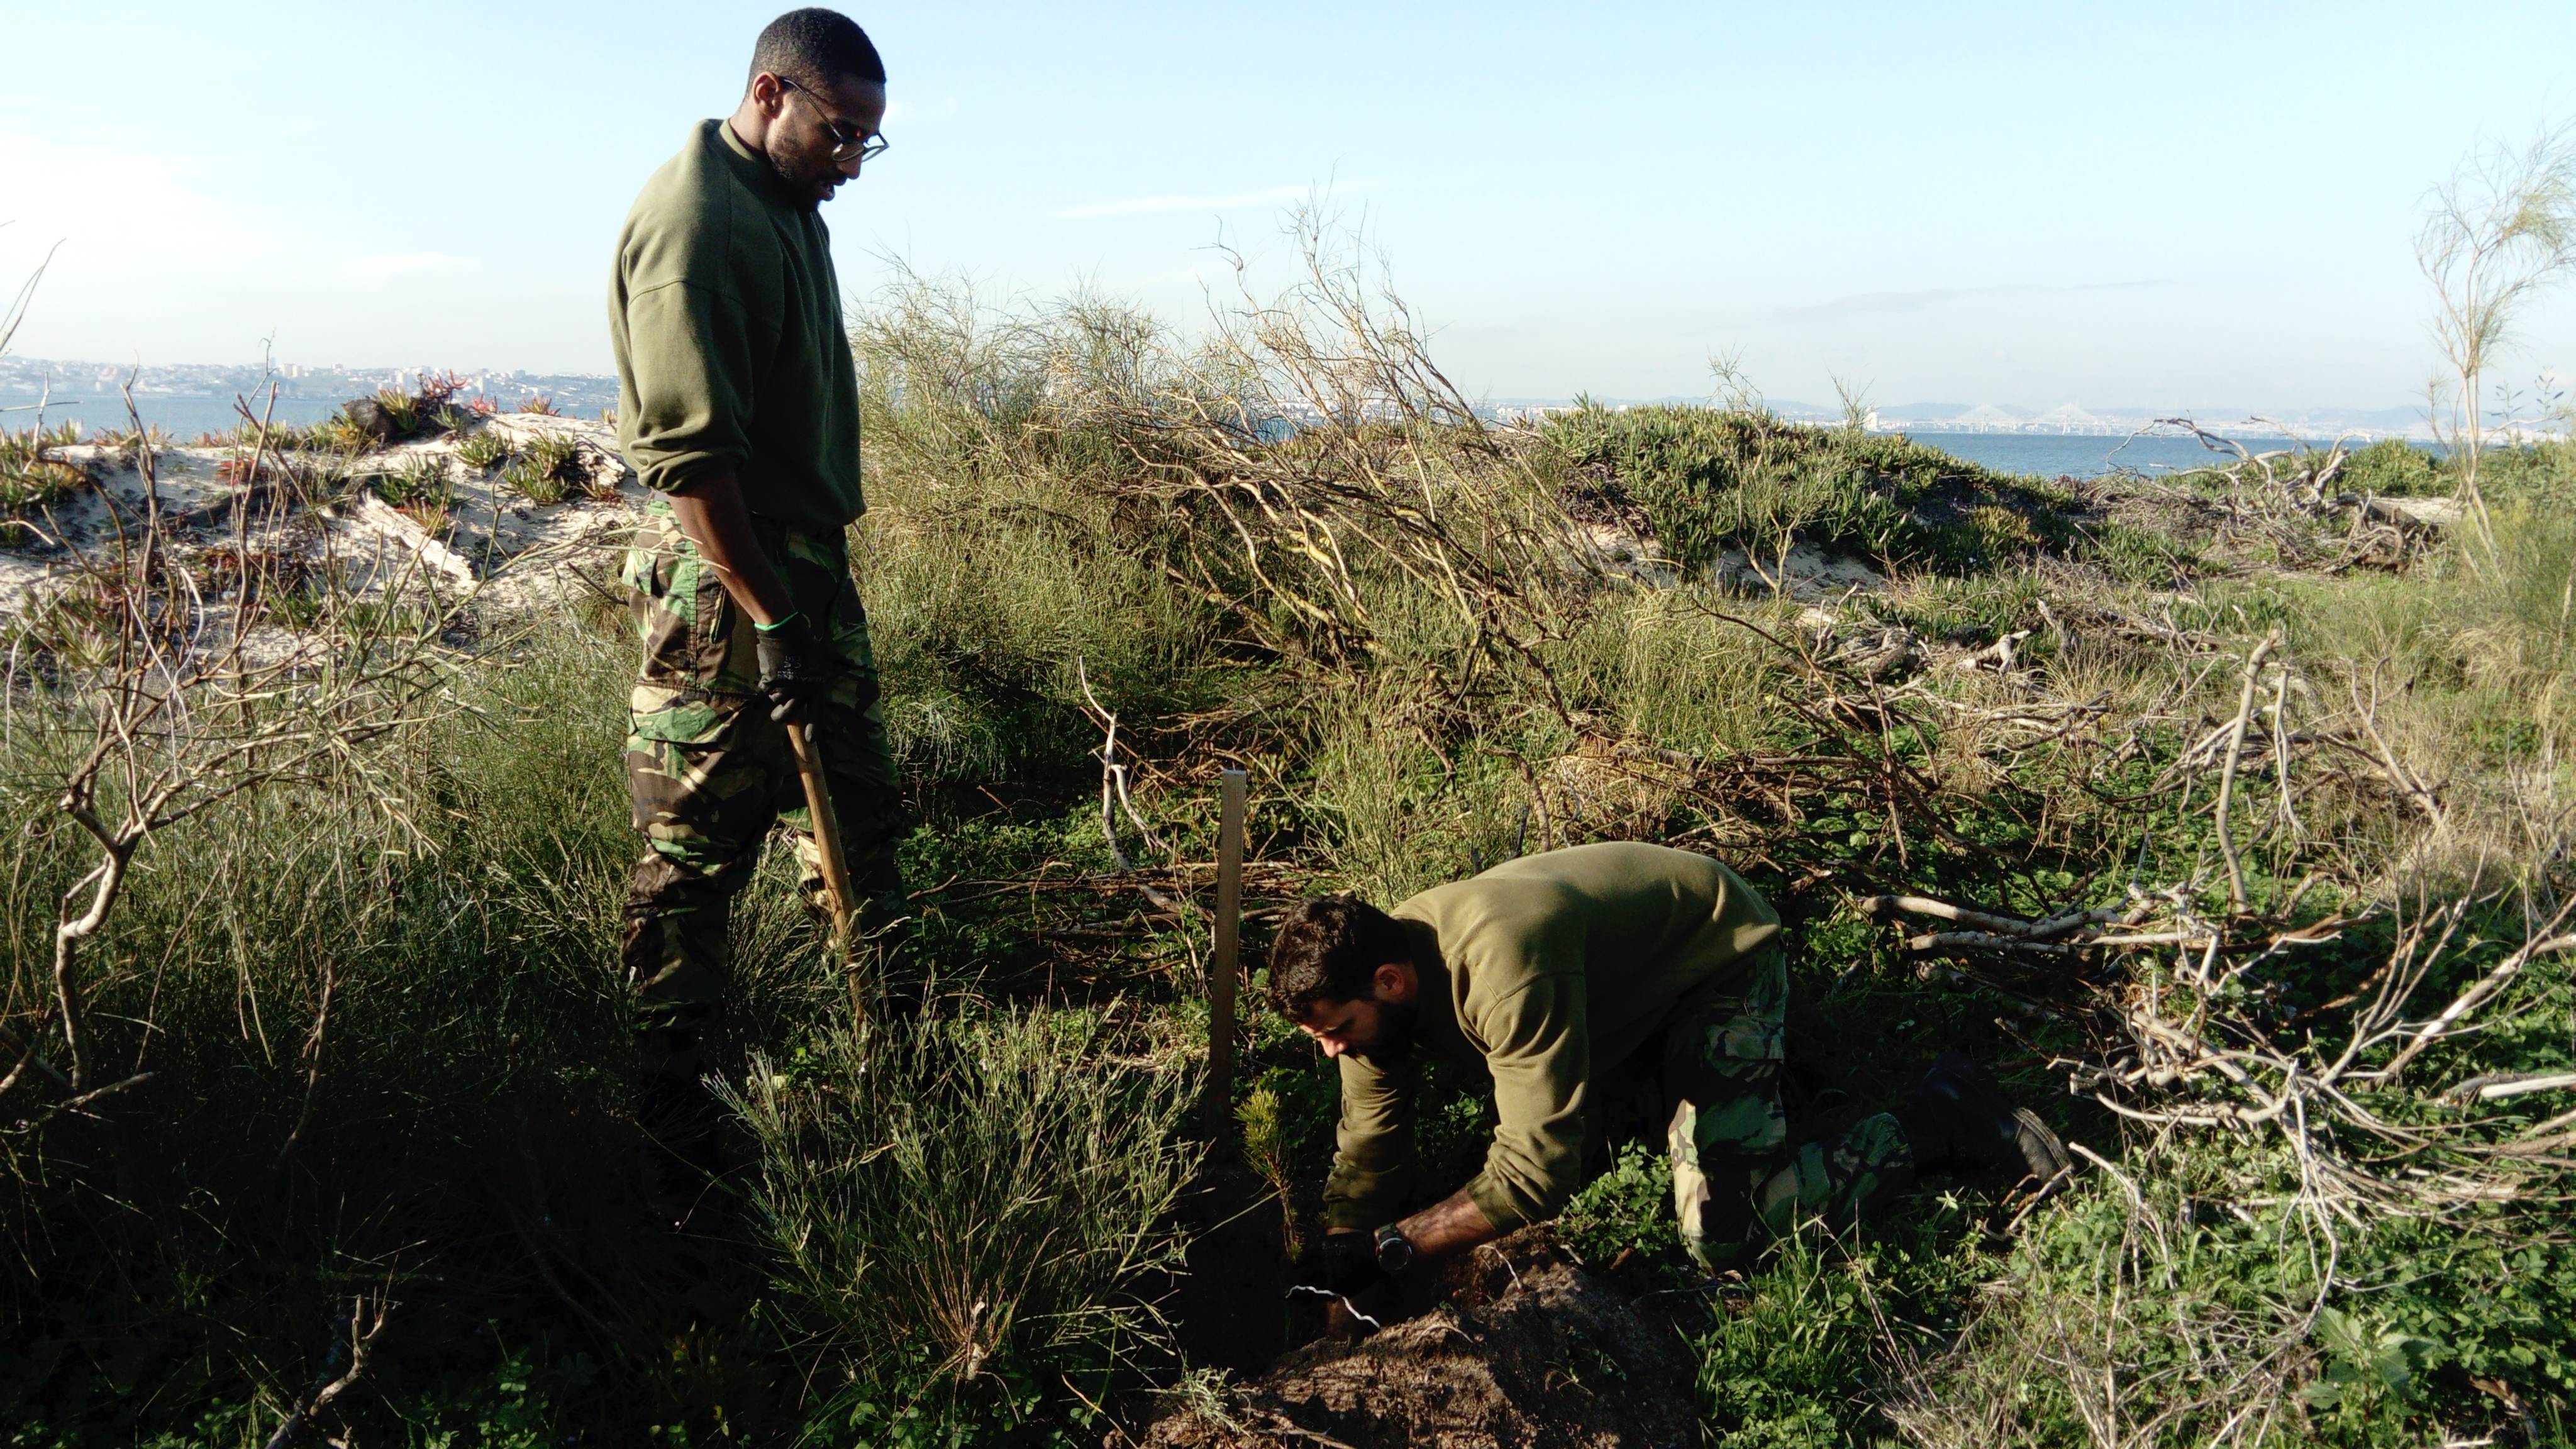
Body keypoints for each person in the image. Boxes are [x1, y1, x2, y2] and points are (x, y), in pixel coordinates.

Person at [1269, 841, 2068, 1297]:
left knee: (1725, 1232)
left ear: (1389, 983)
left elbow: (1535, 1174)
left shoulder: (1504, 969)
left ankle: (1945, 1117)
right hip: (1626, 1000)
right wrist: (1343, 1267)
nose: (1332, 1050)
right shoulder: (1370, 994)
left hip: (1717, 966)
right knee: (1613, 1149)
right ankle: (1703, 1099)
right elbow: (1370, 1144)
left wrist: (1397, 1245)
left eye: (1338, 1031)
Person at [608, 8, 906, 1226]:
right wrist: (766, 612)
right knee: (687, 873)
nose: (851, 162)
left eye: (867, 146)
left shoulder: (782, 204)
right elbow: (688, 470)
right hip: (728, 579)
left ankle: (880, 1099)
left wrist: (800, 600)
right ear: (772, 95)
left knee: (853, 838)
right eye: (841, 134)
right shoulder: (696, 227)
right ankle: (676, 1160)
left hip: (796, 571)